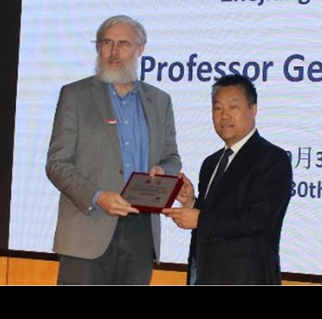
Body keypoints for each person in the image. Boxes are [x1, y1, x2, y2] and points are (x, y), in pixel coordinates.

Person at [46, 15, 181, 285]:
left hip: (141, 232)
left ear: (140, 49)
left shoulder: (160, 101)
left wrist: (162, 171)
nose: (114, 52)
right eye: (107, 43)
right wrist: (97, 196)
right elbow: (57, 164)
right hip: (87, 228)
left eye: (123, 44)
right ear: (98, 47)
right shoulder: (75, 95)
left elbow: (172, 158)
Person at [163, 74, 292, 284]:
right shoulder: (211, 163)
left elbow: (258, 218)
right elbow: (219, 213)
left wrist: (200, 219)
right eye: (217, 108)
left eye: (233, 107)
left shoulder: (272, 158)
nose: (224, 116)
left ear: (253, 109)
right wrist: (191, 202)